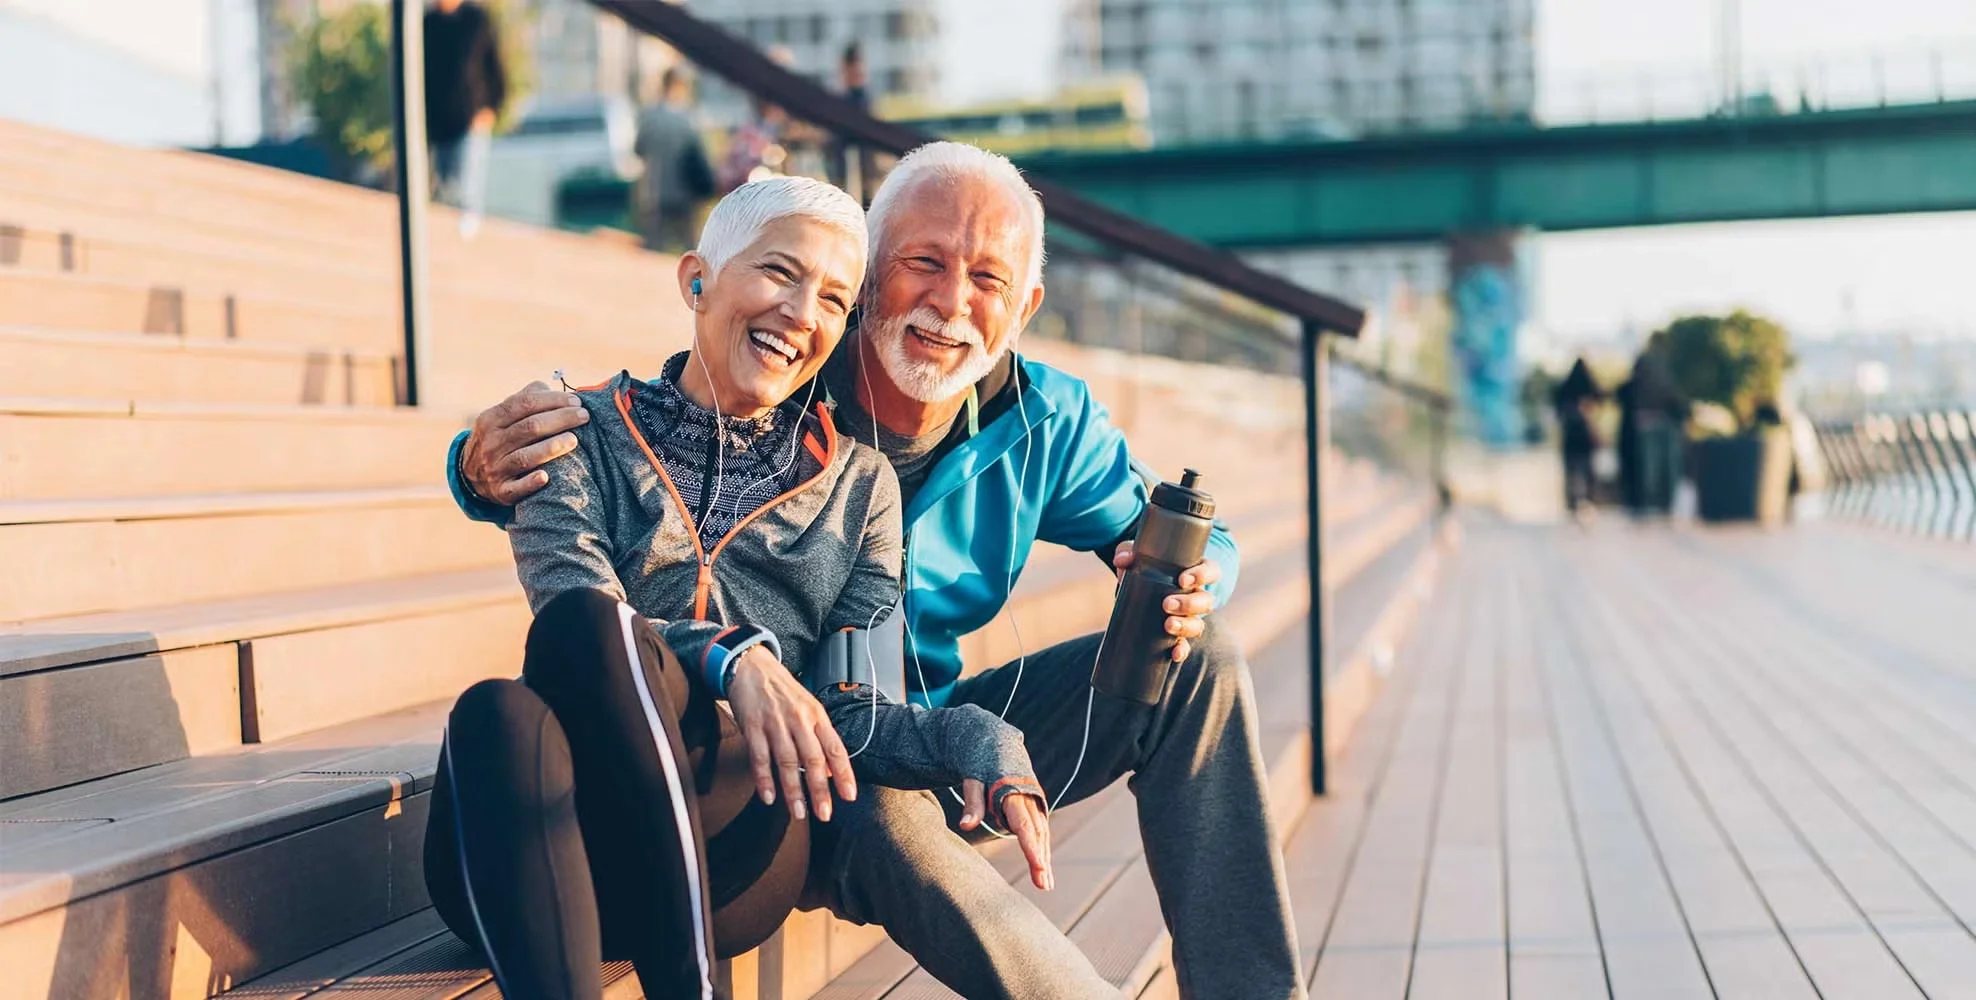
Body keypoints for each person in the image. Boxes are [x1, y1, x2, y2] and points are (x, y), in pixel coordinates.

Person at [448, 142, 1300, 999]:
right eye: (923, 262)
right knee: (878, 800)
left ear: (1024, 307)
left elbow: (1203, 546)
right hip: (806, 752)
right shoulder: (790, 360)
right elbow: (642, 450)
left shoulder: (1047, 418)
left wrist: (1194, 585)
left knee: (1197, 658)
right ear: (869, 278)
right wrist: (475, 469)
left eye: (988, 279)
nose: (951, 302)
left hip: (920, 724)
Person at [424, 176, 1046, 1000]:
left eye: (834, 300)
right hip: (551, 844)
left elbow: (853, 714)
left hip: (735, 835)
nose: (802, 313)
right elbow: (575, 616)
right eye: (781, 272)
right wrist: (736, 659)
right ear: (697, 280)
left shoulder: (860, 487)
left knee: (556, 658)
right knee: (500, 709)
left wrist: (973, 736)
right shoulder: (574, 429)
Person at [423, 0, 507, 214]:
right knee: (444, 191)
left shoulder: (476, 20)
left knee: (466, 192)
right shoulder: (428, 24)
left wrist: (491, 108)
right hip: (437, 125)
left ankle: (466, 229)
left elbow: (494, 66)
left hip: (470, 120)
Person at [633, 66, 717, 253]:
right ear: (681, 87)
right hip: (685, 192)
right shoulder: (689, 118)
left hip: (654, 192)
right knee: (691, 248)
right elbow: (700, 156)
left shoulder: (649, 117)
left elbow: (638, 149)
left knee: (654, 249)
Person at [1616, 348, 1688, 516]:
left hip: (1648, 427)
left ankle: (1654, 503)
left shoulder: (1641, 385)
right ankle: (1658, 503)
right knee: (1655, 468)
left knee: (1652, 468)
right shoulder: (1660, 383)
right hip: (1653, 427)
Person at [1551, 358, 1603, 518]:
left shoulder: (1565, 389)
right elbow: (1601, 400)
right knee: (1588, 471)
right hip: (1586, 437)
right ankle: (1589, 500)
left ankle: (1572, 503)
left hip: (1571, 436)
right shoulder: (1589, 388)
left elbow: (1558, 410)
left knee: (1571, 470)